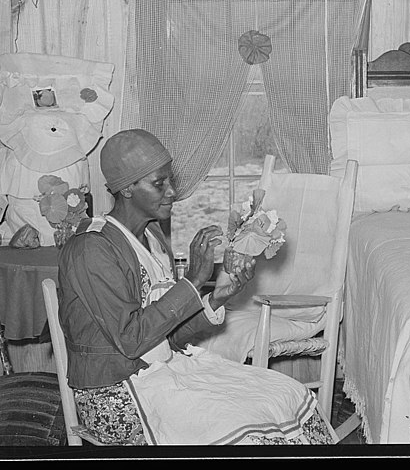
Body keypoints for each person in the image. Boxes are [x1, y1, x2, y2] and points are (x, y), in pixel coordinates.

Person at [56, 129, 334, 445]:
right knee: (243, 425)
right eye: (159, 183)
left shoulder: (152, 239)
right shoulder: (92, 249)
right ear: (126, 189)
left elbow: (167, 337)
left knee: (286, 393)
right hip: (114, 395)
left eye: (169, 180)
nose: (172, 191)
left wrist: (216, 297)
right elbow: (132, 340)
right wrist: (193, 281)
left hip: (159, 374)